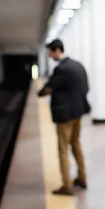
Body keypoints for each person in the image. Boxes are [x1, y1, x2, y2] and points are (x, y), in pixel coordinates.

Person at [39, 39, 90, 196]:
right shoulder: (78, 65)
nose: (49, 56)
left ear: (57, 50)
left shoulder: (61, 69)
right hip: (78, 112)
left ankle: (66, 185)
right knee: (76, 144)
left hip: (64, 114)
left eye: (50, 53)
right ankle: (81, 178)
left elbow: (48, 88)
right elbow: (86, 87)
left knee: (62, 149)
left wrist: (41, 92)